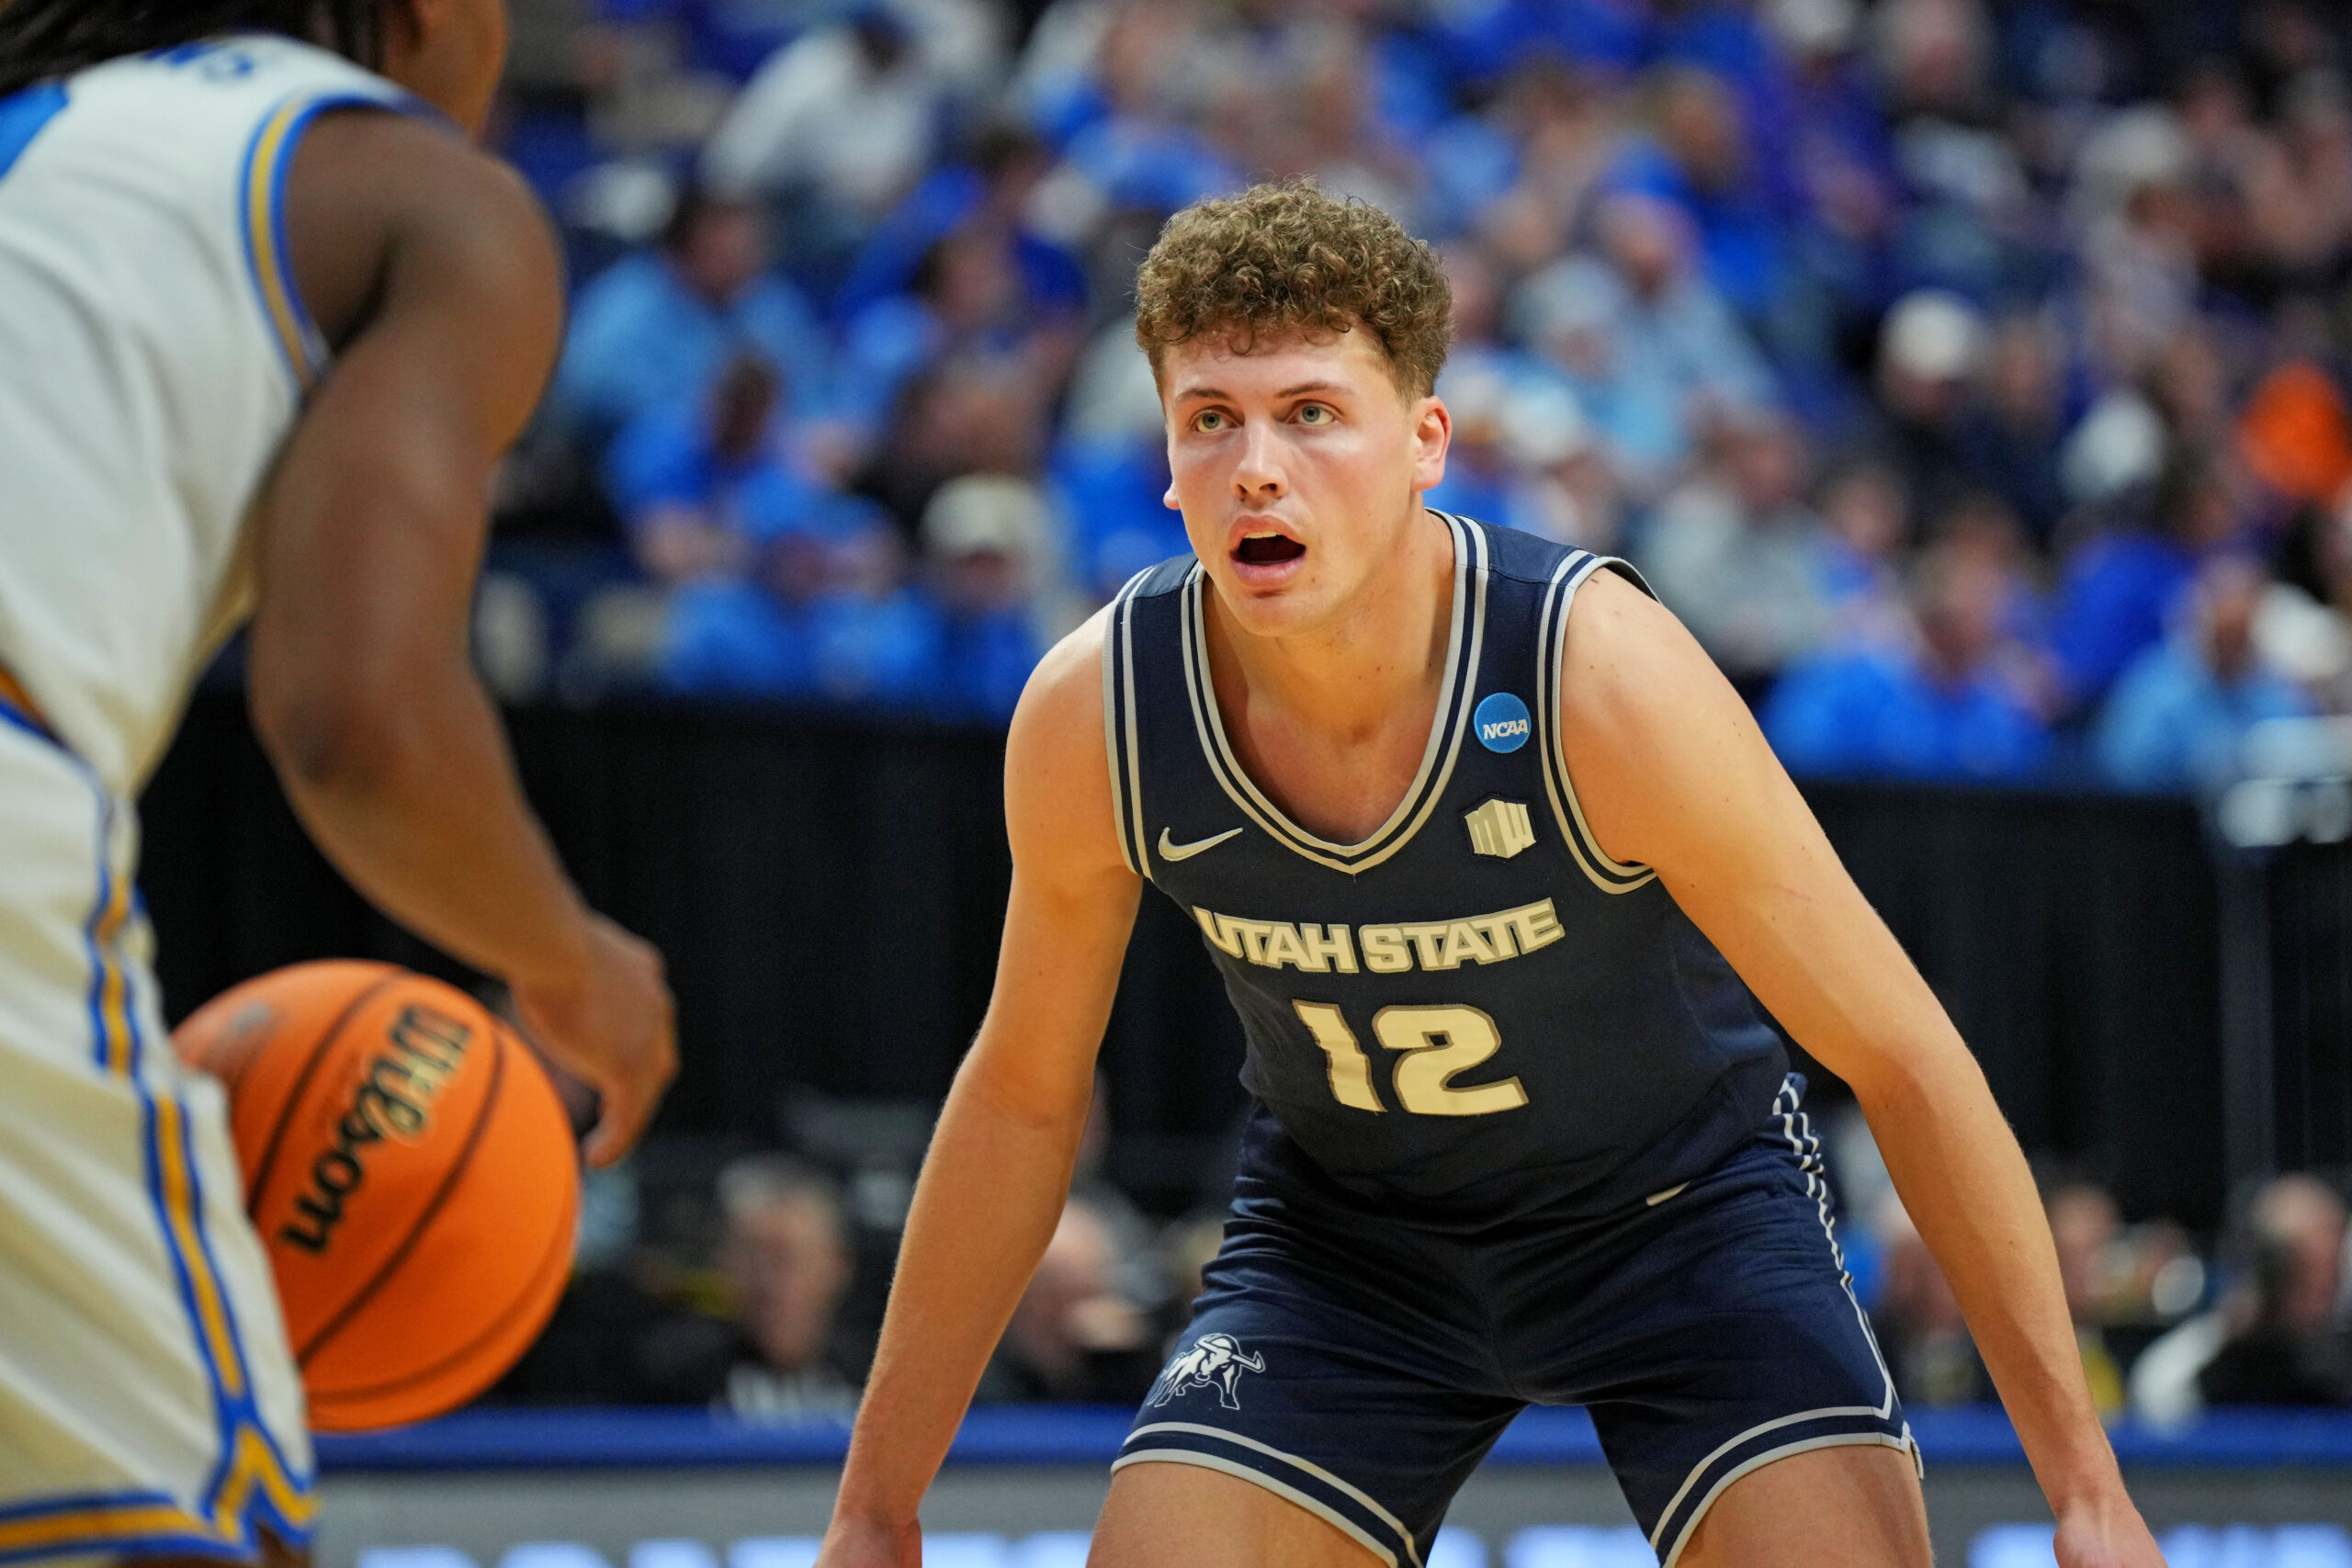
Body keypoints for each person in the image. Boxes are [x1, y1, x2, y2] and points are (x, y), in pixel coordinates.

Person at [817, 183, 2160, 1568]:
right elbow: (1024, 1097)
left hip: (1681, 1221)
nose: (1256, 466)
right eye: (1211, 417)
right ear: (1165, 458)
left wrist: (2087, 1489)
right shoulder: (1098, 710)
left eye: (1313, 412)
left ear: (1426, 443)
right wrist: (874, 1504)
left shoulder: (1598, 675)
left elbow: (1905, 1055)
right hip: (1347, 1248)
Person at [0, 5, 677, 1563]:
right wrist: (565, 959)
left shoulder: (62, 144)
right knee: (189, 1523)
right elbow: (356, 718)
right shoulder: (426, 196)